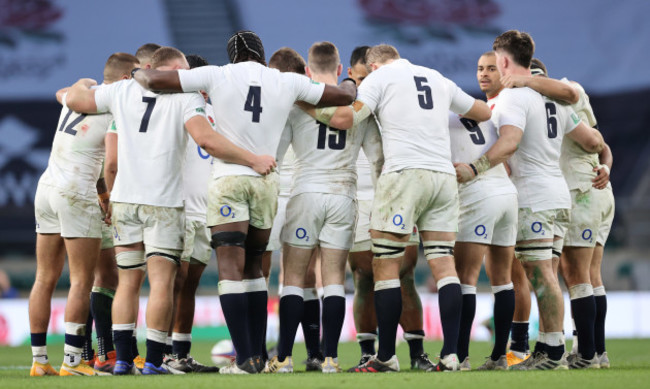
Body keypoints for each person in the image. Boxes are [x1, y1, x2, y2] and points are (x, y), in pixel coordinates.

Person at [132, 31, 356, 374]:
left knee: (230, 270)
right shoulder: (284, 81)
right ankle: (259, 358)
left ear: (232, 55)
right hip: (268, 182)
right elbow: (341, 95)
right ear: (262, 55)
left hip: (229, 180)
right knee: (255, 270)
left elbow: (151, 79)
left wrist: (135, 74)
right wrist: (352, 85)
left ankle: (247, 357)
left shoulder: (217, 74)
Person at [65, 46, 276, 375]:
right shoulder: (185, 97)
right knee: (163, 283)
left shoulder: (121, 91)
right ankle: (153, 362)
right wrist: (253, 159)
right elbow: (206, 139)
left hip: (125, 200)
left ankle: (122, 361)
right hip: (164, 202)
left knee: (128, 281)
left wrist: (80, 83)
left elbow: (74, 100)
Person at [319, 44, 491, 372]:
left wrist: (306, 104)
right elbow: (483, 112)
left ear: (372, 65)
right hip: (442, 176)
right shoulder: (436, 77)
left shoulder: (379, 78)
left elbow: (345, 118)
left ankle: (385, 357)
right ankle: (452, 355)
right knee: (443, 264)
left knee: (386, 266)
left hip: (404, 175)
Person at [456, 30, 604, 370]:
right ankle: (546, 346)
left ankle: (553, 353)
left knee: (540, 275)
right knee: (547, 273)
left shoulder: (513, 98)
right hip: (558, 191)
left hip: (533, 195)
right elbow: (589, 140)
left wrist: (475, 168)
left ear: (504, 61)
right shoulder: (557, 99)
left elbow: (509, 143)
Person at [265, 42, 381, 374]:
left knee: (294, 279)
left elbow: (275, 154)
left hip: (305, 193)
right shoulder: (358, 106)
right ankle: (330, 359)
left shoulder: (296, 104)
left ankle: (284, 359)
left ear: (307, 72)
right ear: (341, 67)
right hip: (343, 195)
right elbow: (377, 158)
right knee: (332, 279)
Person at [29, 52, 139, 377]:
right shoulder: (116, 106)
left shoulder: (77, 94)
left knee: (43, 278)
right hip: (76, 193)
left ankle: (39, 361)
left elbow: (63, 92)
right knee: (81, 280)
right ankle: (73, 362)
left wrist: (81, 85)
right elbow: (110, 163)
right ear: (123, 80)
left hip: (46, 187)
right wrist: (112, 198)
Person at [502, 58, 614, 368]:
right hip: (589, 190)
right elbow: (598, 142)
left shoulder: (563, 94)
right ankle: (594, 351)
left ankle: (586, 353)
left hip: (579, 191)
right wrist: (606, 165)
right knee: (589, 276)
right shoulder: (556, 103)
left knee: (573, 275)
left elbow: (594, 139)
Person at [343, 46, 434, 372]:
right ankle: (369, 352)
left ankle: (417, 353)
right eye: (364, 77)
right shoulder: (349, 104)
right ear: (352, 75)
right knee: (363, 275)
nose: (371, 82)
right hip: (360, 198)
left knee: (405, 274)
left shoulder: (396, 100)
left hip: (396, 193)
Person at [449, 51, 518, 370]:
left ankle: (460, 356)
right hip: (507, 194)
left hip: (479, 197)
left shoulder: (445, 119)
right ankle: (499, 356)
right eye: (479, 68)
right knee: (503, 279)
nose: (483, 74)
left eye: (490, 68)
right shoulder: (490, 113)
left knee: (466, 279)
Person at [266, 47, 323, 370]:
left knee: (272, 276)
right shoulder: (315, 99)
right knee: (309, 276)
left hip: (275, 193)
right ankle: (314, 353)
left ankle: (270, 353)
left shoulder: (269, 100)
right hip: (306, 192)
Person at [163, 54, 220, 373]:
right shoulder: (176, 109)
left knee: (190, 285)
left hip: (206, 211)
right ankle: (161, 351)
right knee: (174, 281)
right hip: (180, 208)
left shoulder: (216, 112)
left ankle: (180, 353)